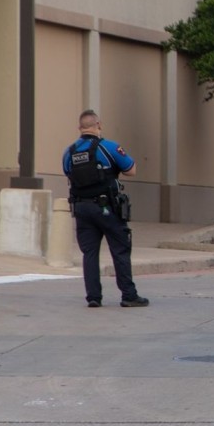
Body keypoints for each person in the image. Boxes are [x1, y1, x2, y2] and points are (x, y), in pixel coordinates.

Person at [62, 110, 148, 308]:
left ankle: (93, 297)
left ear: (79, 128)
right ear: (99, 125)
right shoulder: (109, 147)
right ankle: (129, 295)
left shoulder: (69, 152)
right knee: (120, 250)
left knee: (89, 253)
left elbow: (68, 173)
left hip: (82, 208)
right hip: (107, 208)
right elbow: (131, 170)